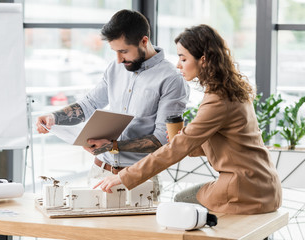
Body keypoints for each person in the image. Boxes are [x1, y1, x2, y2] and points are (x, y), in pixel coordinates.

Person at [94, 24, 282, 214]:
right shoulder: (232, 91)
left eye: (183, 58)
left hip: (244, 187)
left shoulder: (217, 100)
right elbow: (230, 144)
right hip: (264, 184)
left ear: (204, 60)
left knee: (181, 201)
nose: (178, 65)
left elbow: (177, 149)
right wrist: (187, 139)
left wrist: (124, 177)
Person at [36, 9, 189, 198]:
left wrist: (113, 146)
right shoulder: (115, 67)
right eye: (115, 51)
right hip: (99, 173)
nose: (118, 59)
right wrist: (54, 117)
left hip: (139, 180)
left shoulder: (171, 79)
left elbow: (162, 140)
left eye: (124, 51)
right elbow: (90, 103)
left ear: (144, 41)